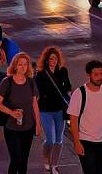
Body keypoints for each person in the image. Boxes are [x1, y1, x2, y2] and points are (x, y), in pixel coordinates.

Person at [0, 52, 41, 174]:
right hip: (11, 128)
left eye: (25, 64)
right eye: (20, 64)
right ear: (15, 66)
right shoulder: (7, 82)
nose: (23, 67)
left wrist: (38, 124)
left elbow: (34, 104)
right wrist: (11, 112)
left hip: (28, 126)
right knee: (16, 159)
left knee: (24, 160)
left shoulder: (31, 82)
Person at [68, 60, 102, 174]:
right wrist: (77, 142)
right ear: (88, 75)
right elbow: (73, 120)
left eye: (101, 74)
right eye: (96, 74)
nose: (99, 77)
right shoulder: (79, 93)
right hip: (86, 141)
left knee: (99, 171)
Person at [35, 46, 72, 174]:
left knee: (59, 140)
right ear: (46, 60)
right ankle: (46, 160)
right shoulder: (40, 75)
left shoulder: (63, 71)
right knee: (49, 140)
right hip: (45, 110)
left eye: (55, 58)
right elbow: (37, 94)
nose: (53, 61)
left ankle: (55, 164)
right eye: (51, 59)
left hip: (59, 110)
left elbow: (68, 88)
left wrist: (70, 102)